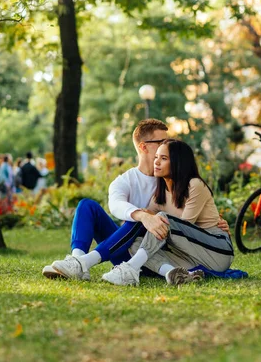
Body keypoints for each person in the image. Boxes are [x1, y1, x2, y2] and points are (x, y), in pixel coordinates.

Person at [42, 119, 230, 280]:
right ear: (144, 146)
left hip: (162, 249)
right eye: (162, 141)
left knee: (147, 220)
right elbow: (115, 206)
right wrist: (141, 215)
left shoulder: (175, 180)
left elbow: (186, 224)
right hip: (128, 246)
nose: (169, 144)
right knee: (87, 206)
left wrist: (213, 224)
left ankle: (85, 264)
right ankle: (77, 262)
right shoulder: (126, 181)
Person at [102, 139, 234, 286]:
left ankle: (130, 269)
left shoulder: (194, 185)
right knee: (135, 243)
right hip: (190, 255)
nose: (156, 162)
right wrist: (144, 218)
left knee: (162, 219)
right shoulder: (160, 195)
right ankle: (175, 273)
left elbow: (183, 227)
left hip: (217, 252)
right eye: (156, 157)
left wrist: (155, 218)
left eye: (163, 158)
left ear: (179, 162)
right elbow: (147, 224)